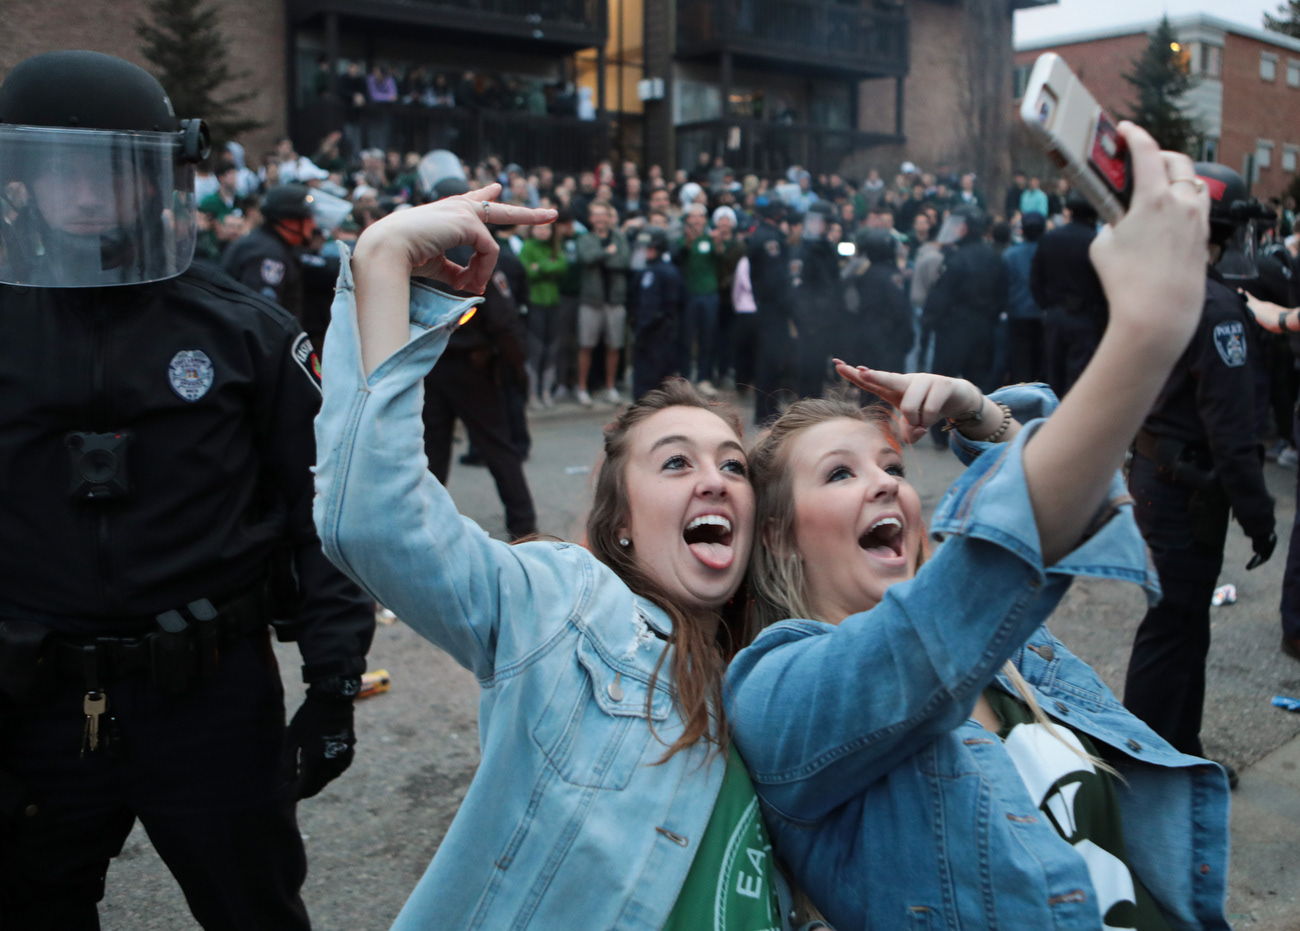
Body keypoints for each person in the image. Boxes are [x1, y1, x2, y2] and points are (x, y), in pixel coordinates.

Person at [727, 122, 1235, 931]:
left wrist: (983, 413)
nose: (887, 485)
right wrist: (1143, 334)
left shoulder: (1014, 658)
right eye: (841, 473)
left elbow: (1082, 507)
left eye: (893, 466)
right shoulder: (775, 696)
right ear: (782, 534)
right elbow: (969, 591)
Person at [311, 184, 823, 929]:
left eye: (733, 466)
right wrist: (386, 260)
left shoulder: (778, 676)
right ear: (618, 526)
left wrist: (987, 426)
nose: (714, 478)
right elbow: (373, 517)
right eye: (676, 463)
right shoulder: (566, 607)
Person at [0, 51, 374, 929]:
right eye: (62, 169)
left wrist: (334, 683)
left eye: (109, 169)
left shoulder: (243, 329)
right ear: (22, 179)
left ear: (156, 175)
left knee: (254, 910)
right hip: (34, 701)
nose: (87, 193)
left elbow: (322, 512)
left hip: (208, 698)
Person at [1123, 163, 1277, 769]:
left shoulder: (1162, 284)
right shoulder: (1217, 311)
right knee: (1173, 629)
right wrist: (1259, 517)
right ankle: (1145, 761)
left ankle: (1180, 752)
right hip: (1185, 492)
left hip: (1158, 480)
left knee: (1184, 626)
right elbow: (1232, 432)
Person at [418, 178, 536, 539]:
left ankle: (426, 526)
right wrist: (519, 372)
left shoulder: (418, 252)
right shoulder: (476, 251)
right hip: (470, 367)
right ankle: (523, 526)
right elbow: (503, 321)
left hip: (432, 363)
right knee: (498, 447)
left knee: (432, 453)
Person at [1032, 195, 1106, 400]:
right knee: (1079, 377)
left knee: (1053, 372)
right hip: (1086, 318)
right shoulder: (1096, 241)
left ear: (1070, 212)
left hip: (1055, 315)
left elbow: (1036, 279)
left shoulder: (1050, 238)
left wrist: (1047, 305)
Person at [575, 201, 630, 404]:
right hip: (591, 301)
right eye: (596, 215)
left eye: (603, 214)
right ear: (591, 219)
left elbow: (624, 261)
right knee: (585, 345)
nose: (600, 218)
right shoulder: (585, 238)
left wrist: (601, 257)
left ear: (609, 217)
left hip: (615, 300)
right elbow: (585, 258)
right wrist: (607, 253)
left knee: (614, 346)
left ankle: (610, 387)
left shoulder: (619, 238)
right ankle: (582, 388)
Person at [792, 201, 848, 400]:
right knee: (807, 371)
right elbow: (798, 291)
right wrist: (808, 321)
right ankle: (804, 411)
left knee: (819, 372)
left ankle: (813, 408)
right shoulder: (802, 252)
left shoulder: (828, 249)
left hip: (828, 322)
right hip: (811, 324)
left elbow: (833, 285)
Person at [748, 202, 796, 423]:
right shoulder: (770, 240)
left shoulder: (760, 234)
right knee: (771, 359)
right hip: (774, 308)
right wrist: (791, 307)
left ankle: (766, 408)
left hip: (765, 305)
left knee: (767, 358)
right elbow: (776, 280)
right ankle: (767, 410)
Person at [845, 228, 913, 376]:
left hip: (866, 332)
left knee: (869, 381)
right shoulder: (891, 276)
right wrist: (908, 333)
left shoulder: (864, 273)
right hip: (889, 337)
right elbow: (899, 308)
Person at [630, 226, 686, 399]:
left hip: (656, 336)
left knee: (649, 390)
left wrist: (641, 331)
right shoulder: (662, 270)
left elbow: (651, 308)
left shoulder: (657, 272)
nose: (646, 251)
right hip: (662, 335)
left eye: (650, 248)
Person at [674, 203, 724, 392]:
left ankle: (704, 377)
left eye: (700, 216)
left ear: (705, 218)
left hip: (710, 294)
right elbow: (680, 256)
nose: (696, 219)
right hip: (689, 295)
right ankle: (685, 377)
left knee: (708, 337)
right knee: (686, 338)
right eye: (692, 216)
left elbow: (720, 257)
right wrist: (688, 241)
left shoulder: (711, 238)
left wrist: (718, 241)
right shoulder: (683, 239)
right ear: (688, 219)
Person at [520, 220, 568, 406]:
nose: (543, 231)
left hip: (554, 303)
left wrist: (539, 266)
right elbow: (527, 272)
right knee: (535, 349)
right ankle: (532, 393)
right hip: (535, 303)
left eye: (547, 227)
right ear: (532, 229)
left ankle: (546, 391)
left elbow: (563, 267)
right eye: (539, 227)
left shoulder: (555, 246)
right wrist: (547, 266)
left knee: (552, 348)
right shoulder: (527, 246)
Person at [1003, 210, 1047, 384]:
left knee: (1020, 360)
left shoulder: (1010, 254)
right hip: (1042, 314)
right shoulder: (1048, 252)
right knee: (1040, 359)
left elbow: (1004, 285)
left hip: (1017, 314)